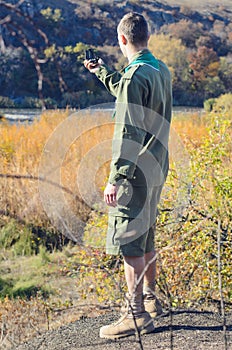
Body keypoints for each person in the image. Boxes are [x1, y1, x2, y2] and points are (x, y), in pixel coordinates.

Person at [84, 12, 172, 339]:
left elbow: (128, 132)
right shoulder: (158, 69)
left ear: (122, 39)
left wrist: (116, 177)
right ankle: (150, 301)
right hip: (156, 166)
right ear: (146, 37)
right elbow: (128, 90)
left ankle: (134, 315)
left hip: (135, 172)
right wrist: (102, 72)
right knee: (145, 233)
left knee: (129, 242)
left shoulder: (136, 76)